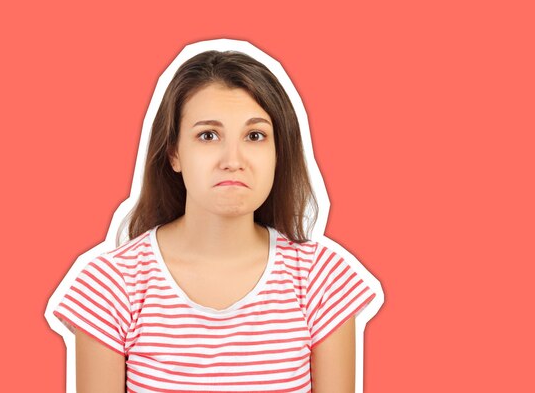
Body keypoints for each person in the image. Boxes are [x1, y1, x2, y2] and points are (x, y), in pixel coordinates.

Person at [51, 48, 380, 392]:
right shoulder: (111, 285)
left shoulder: (321, 280)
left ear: (278, 153)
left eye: (255, 136)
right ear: (174, 153)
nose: (232, 160)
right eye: (208, 135)